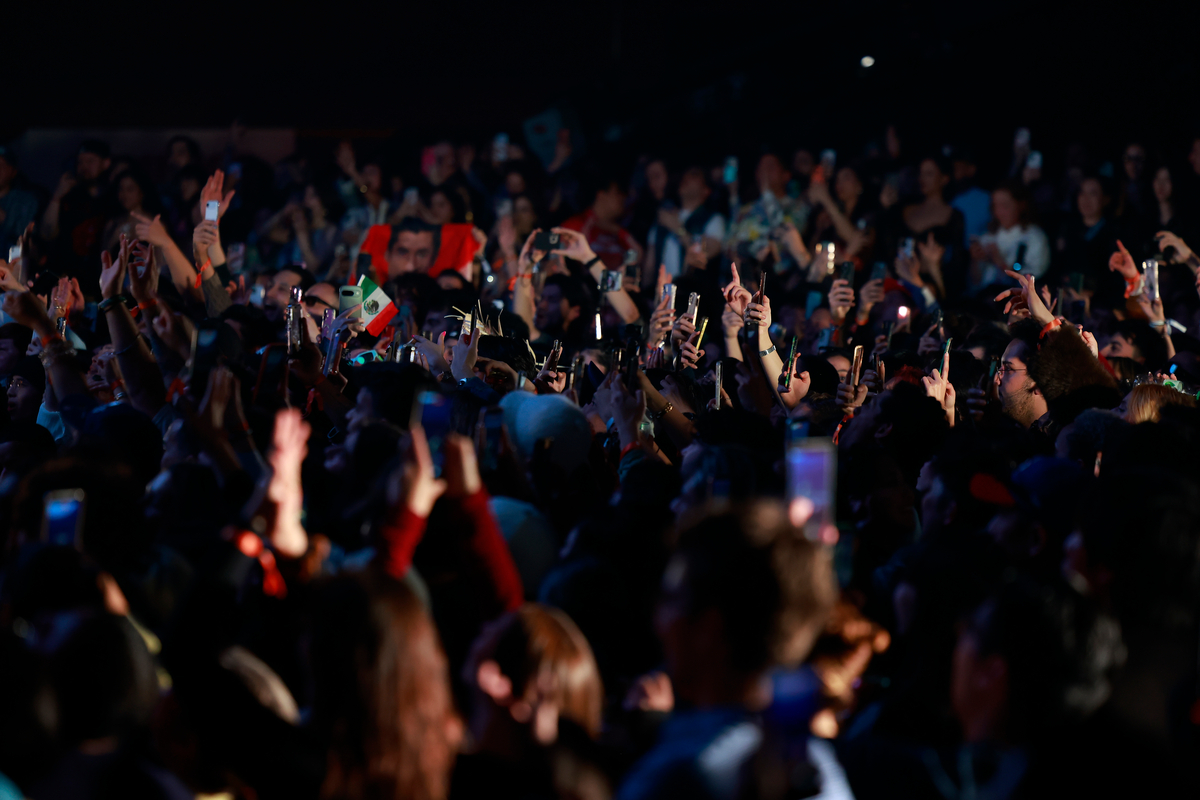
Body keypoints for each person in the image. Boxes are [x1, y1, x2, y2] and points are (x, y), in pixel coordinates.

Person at [645, 166, 725, 280]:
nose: (686, 177)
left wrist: (678, 230)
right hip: (661, 293)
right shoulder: (663, 218)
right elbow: (650, 265)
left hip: (693, 293)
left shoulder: (714, 220)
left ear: (706, 190)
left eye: (694, 175)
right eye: (686, 175)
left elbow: (706, 253)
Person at [561, 172, 643, 270]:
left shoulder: (620, 233)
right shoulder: (574, 225)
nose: (623, 198)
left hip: (615, 283)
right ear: (601, 195)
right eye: (618, 193)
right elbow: (569, 261)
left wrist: (622, 233)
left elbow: (636, 257)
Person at [0, 146, 38, 254]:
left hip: (11, 265)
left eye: (2, 165)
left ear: (13, 171)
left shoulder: (25, 201)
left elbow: (28, 238)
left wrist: (5, 219)